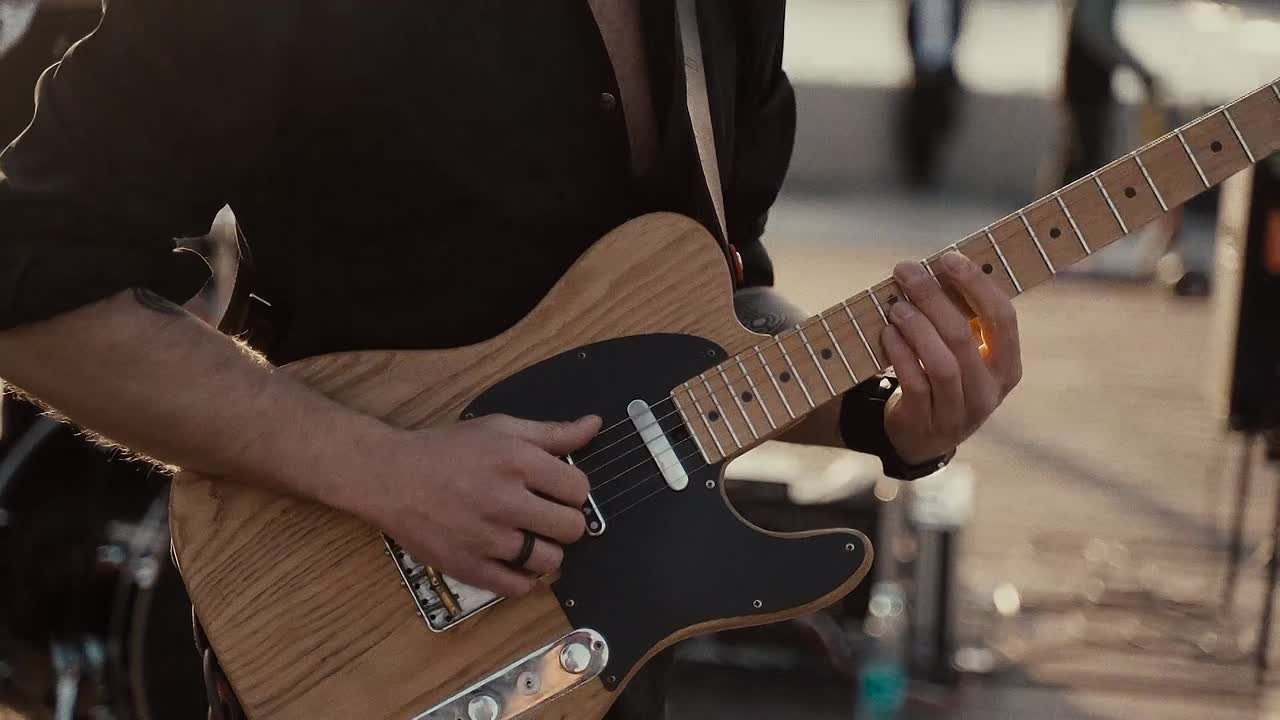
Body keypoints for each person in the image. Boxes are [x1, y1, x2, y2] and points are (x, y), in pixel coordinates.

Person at [0, 1, 1023, 716]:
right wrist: (388, 472)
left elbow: (713, 298)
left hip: (604, 662)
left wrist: (878, 413)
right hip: (349, 651)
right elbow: (26, 283)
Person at [1058, 0, 1157, 186]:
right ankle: (1059, 213)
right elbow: (1096, 33)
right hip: (1087, 87)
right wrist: (1140, 70)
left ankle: (1056, 212)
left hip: (1082, 83)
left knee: (1081, 156)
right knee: (1086, 161)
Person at [899, 0, 966, 189]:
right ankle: (918, 172)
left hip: (944, 65)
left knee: (944, 113)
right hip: (921, 65)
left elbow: (957, 27)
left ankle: (930, 168)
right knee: (917, 117)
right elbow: (909, 28)